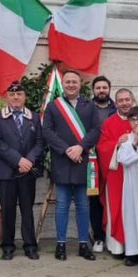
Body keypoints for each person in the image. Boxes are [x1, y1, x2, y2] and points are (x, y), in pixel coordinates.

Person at [43, 69, 100, 261]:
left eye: (74, 82)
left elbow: (95, 130)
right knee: (62, 206)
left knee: (84, 205)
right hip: (62, 162)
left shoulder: (89, 105)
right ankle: (61, 245)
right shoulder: (53, 106)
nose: (70, 85)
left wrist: (80, 148)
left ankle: (84, 244)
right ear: (63, 84)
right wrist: (68, 150)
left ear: (80, 83)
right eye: (67, 82)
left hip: (82, 161)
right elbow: (48, 132)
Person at [0, 81, 45, 260]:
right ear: (7, 96)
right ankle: (8, 245)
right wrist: (18, 160)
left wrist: (28, 160)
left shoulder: (34, 117)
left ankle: (30, 245)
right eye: (12, 94)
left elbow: (39, 142)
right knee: (7, 210)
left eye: (19, 94)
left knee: (27, 209)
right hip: (6, 172)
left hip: (27, 172)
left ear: (24, 97)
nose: (16, 97)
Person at [96, 88, 138, 256]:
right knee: (119, 208)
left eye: (127, 99)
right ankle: (118, 247)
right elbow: (102, 146)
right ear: (116, 103)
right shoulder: (109, 122)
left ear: (132, 100)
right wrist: (117, 144)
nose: (125, 103)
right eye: (121, 100)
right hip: (117, 174)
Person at [115, 106, 138, 266]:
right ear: (128, 121)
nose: (137, 122)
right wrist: (135, 144)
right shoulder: (125, 139)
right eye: (133, 119)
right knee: (131, 215)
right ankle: (132, 252)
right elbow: (123, 159)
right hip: (131, 182)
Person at [90, 75, 116, 252]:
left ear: (109, 89)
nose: (101, 90)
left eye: (104, 88)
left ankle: (114, 237)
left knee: (113, 199)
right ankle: (98, 237)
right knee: (94, 198)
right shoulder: (86, 109)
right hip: (92, 162)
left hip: (113, 162)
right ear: (93, 90)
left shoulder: (118, 110)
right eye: (98, 88)